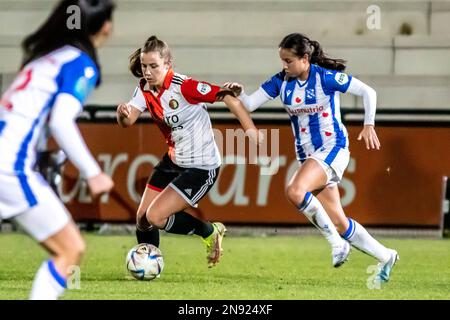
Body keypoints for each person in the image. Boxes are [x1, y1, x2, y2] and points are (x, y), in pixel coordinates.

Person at [225, 33, 398, 283]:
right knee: (339, 221)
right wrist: (240, 92)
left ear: (305, 59)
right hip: (308, 155)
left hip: (333, 147)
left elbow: (367, 92)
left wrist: (369, 124)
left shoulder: (325, 77)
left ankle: (337, 246)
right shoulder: (281, 81)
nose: (284, 66)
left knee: (295, 190)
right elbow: (250, 104)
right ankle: (386, 255)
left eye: (288, 61)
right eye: (282, 61)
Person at [0, 0, 115, 299]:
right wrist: (93, 173)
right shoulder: (78, 63)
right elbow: (61, 122)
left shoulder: (43, 59)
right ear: (105, 26)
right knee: (70, 249)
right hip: (8, 166)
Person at [116, 36, 261, 268]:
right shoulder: (144, 89)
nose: (148, 71)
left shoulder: (184, 87)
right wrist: (122, 113)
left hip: (201, 166)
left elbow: (226, 96)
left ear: (167, 64)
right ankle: (147, 265)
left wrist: (250, 129)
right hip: (173, 160)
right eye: (145, 66)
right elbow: (128, 120)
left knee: (156, 217)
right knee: (143, 219)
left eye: (154, 66)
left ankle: (209, 231)